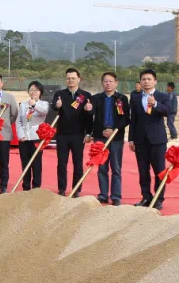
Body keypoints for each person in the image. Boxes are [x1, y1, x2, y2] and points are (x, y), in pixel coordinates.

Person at [129, 68, 171, 209]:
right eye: (143, 79)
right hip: (140, 140)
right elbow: (133, 119)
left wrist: (156, 104)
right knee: (143, 171)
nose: (146, 82)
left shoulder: (162, 96)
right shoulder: (135, 97)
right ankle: (146, 197)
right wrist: (131, 139)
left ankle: (158, 199)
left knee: (159, 171)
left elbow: (168, 112)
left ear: (155, 81)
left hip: (157, 140)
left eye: (149, 79)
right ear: (140, 82)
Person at [52, 68, 94, 196]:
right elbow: (53, 107)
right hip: (62, 134)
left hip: (78, 135)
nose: (70, 80)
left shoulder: (85, 95)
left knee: (78, 163)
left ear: (79, 79)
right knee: (61, 163)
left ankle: (76, 189)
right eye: (68, 78)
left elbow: (90, 117)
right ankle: (61, 189)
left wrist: (88, 133)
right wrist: (57, 106)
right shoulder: (59, 94)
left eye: (73, 78)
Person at [91, 71, 130, 206]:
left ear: (116, 83)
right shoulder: (96, 98)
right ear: (102, 83)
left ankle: (116, 196)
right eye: (106, 81)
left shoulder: (122, 99)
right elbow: (91, 116)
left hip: (116, 137)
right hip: (100, 137)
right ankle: (103, 195)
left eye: (111, 81)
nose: (108, 83)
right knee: (102, 167)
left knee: (116, 168)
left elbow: (126, 118)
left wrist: (114, 130)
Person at [15, 80, 50, 191]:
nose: (34, 92)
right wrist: (21, 135)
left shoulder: (43, 104)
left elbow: (44, 112)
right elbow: (19, 121)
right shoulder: (23, 105)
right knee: (25, 164)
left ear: (40, 92)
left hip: (37, 138)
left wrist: (34, 104)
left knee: (36, 165)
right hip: (24, 139)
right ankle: (26, 188)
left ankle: (36, 188)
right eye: (31, 90)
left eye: (36, 90)